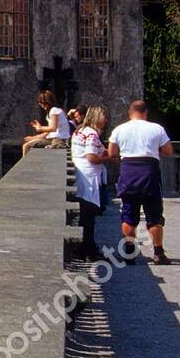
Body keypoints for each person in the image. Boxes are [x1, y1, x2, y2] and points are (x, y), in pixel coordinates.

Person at [107, 99, 175, 265]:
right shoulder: (156, 128)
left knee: (129, 215)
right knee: (154, 215)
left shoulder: (119, 129)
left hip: (128, 172)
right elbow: (168, 151)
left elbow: (112, 152)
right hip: (149, 172)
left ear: (130, 113)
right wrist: (154, 149)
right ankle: (158, 253)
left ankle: (129, 253)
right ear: (145, 113)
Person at [71, 105, 112, 259]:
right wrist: (109, 158)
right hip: (89, 179)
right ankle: (89, 250)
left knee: (85, 216)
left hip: (81, 177)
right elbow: (91, 157)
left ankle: (84, 248)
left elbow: (96, 150)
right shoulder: (92, 134)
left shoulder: (79, 131)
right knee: (88, 217)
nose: (106, 120)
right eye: (103, 117)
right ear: (97, 117)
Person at [21, 89, 71, 154]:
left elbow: (53, 128)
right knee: (26, 146)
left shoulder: (54, 110)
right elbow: (48, 132)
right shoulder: (50, 113)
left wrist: (40, 128)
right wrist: (33, 138)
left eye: (41, 102)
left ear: (46, 102)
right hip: (51, 139)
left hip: (60, 139)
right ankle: (26, 164)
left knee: (50, 151)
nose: (40, 104)